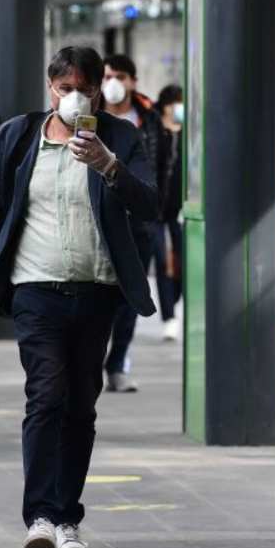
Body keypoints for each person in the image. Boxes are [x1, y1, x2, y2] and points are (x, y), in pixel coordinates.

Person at [0, 46, 157, 548]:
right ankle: (41, 516)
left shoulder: (123, 138)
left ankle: (69, 516)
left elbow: (152, 204)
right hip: (35, 288)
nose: (73, 97)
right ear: (51, 89)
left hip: (97, 289)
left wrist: (109, 166)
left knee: (80, 403)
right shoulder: (20, 136)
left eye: (83, 89)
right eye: (64, 88)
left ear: (98, 92)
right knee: (46, 394)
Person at [100, 53, 167, 392]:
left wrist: (157, 212)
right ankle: (92, 358)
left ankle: (117, 363)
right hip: (97, 221)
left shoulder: (149, 120)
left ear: (133, 81)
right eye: (108, 75)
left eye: (121, 76)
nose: (114, 83)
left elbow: (164, 166)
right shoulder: (85, 118)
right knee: (98, 294)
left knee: (131, 296)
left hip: (138, 223)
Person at [150, 83, 184, 341]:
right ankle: (169, 315)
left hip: (179, 209)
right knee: (162, 262)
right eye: (175, 103)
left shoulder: (187, 133)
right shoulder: (154, 130)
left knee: (181, 261)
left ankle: (176, 300)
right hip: (154, 209)